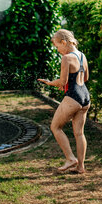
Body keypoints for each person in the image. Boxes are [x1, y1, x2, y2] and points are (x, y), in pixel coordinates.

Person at [38, 29, 90, 174]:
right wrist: (68, 84)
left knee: (55, 127)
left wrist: (49, 83)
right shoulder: (82, 56)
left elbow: (62, 81)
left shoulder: (66, 58)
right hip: (85, 96)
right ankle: (81, 167)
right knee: (79, 133)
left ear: (64, 42)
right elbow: (85, 78)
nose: (57, 50)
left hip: (73, 96)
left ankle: (70, 159)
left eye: (57, 46)